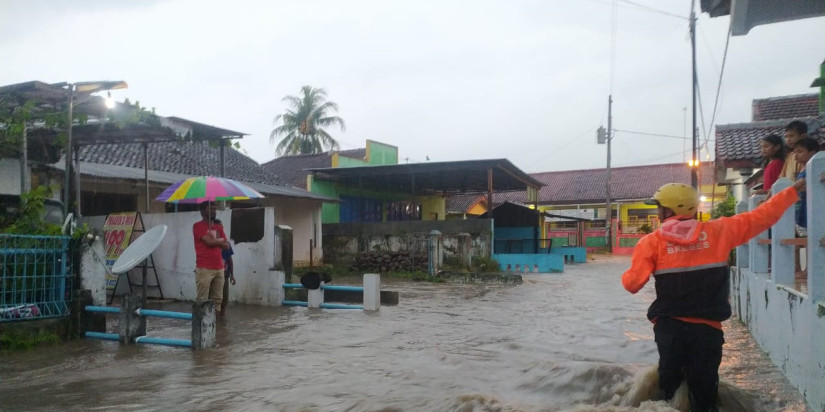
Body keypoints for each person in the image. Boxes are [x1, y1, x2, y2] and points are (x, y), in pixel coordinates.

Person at [622, 179, 804, 412]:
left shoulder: (650, 242)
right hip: (707, 329)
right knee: (705, 393)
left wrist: (629, 271)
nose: (657, 212)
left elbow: (632, 284)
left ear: (668, 210)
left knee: (669, 390)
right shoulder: (720, 231)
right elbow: (762, 217)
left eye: (659, 207)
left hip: (669, 329)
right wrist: (788, 193)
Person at [193, 201, 230, 314]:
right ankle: (200, 328)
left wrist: (216, 241)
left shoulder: (218, 227)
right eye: (210, 208)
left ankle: (217, 328)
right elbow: (209, 242)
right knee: (202, 300)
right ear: (202, 211)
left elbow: (227, 246)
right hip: (204, 268)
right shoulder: (197, 226)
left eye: (214, 209)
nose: (213, 211)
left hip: (219, 267)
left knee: (217, 300)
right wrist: (220, 241)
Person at [792, 137, 819, 238]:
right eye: (795, 152)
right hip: (800, 212)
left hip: (810, 213)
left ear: (812, 153)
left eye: (800, 151)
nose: (796, 155)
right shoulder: (801, 171)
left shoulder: (813, 171)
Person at [214, 219, 235, 316]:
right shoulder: (210, 243)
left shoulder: (226, 244)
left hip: (224, 275)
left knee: (224, 300)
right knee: (213, 299)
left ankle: (221, 322)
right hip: (212, 276)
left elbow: (229, 260)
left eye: (221, 228)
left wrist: (232, 275)